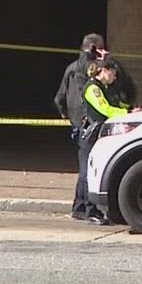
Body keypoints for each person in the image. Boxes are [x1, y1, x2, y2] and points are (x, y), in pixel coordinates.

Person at [72, 59, 136, 225]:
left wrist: (131, 108)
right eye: (113, 74)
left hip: (94, 134)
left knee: (86, 170)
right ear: (104, 71)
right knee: (88, 172)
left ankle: (79, 208)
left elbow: (114, 103)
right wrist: (127, 112)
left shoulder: (103, 88)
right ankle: (89, 211)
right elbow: (105, 109)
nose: (114, 78)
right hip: (90, 135)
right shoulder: (93, 88)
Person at [54, 34, 110, 221]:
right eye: (101, 47)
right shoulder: (96, 70)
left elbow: (59, 98)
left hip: (79, 124)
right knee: (91, 167)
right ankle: (90, 209)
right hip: (93, 123)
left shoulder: (71, 68)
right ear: (94, 48)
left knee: (84, 165)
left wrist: (68, 115)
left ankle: (78, 206)